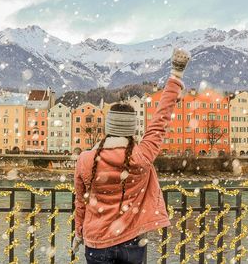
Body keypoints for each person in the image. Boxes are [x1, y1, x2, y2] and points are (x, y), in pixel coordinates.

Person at [72, 48, 191, 264]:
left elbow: (81, 202)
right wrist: (176, 75)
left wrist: (79, 232)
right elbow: (160, 119)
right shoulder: (142, 155)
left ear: (108, 126)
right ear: (132, 129)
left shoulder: (85, 160)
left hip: (96, 242)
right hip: (132, 242)